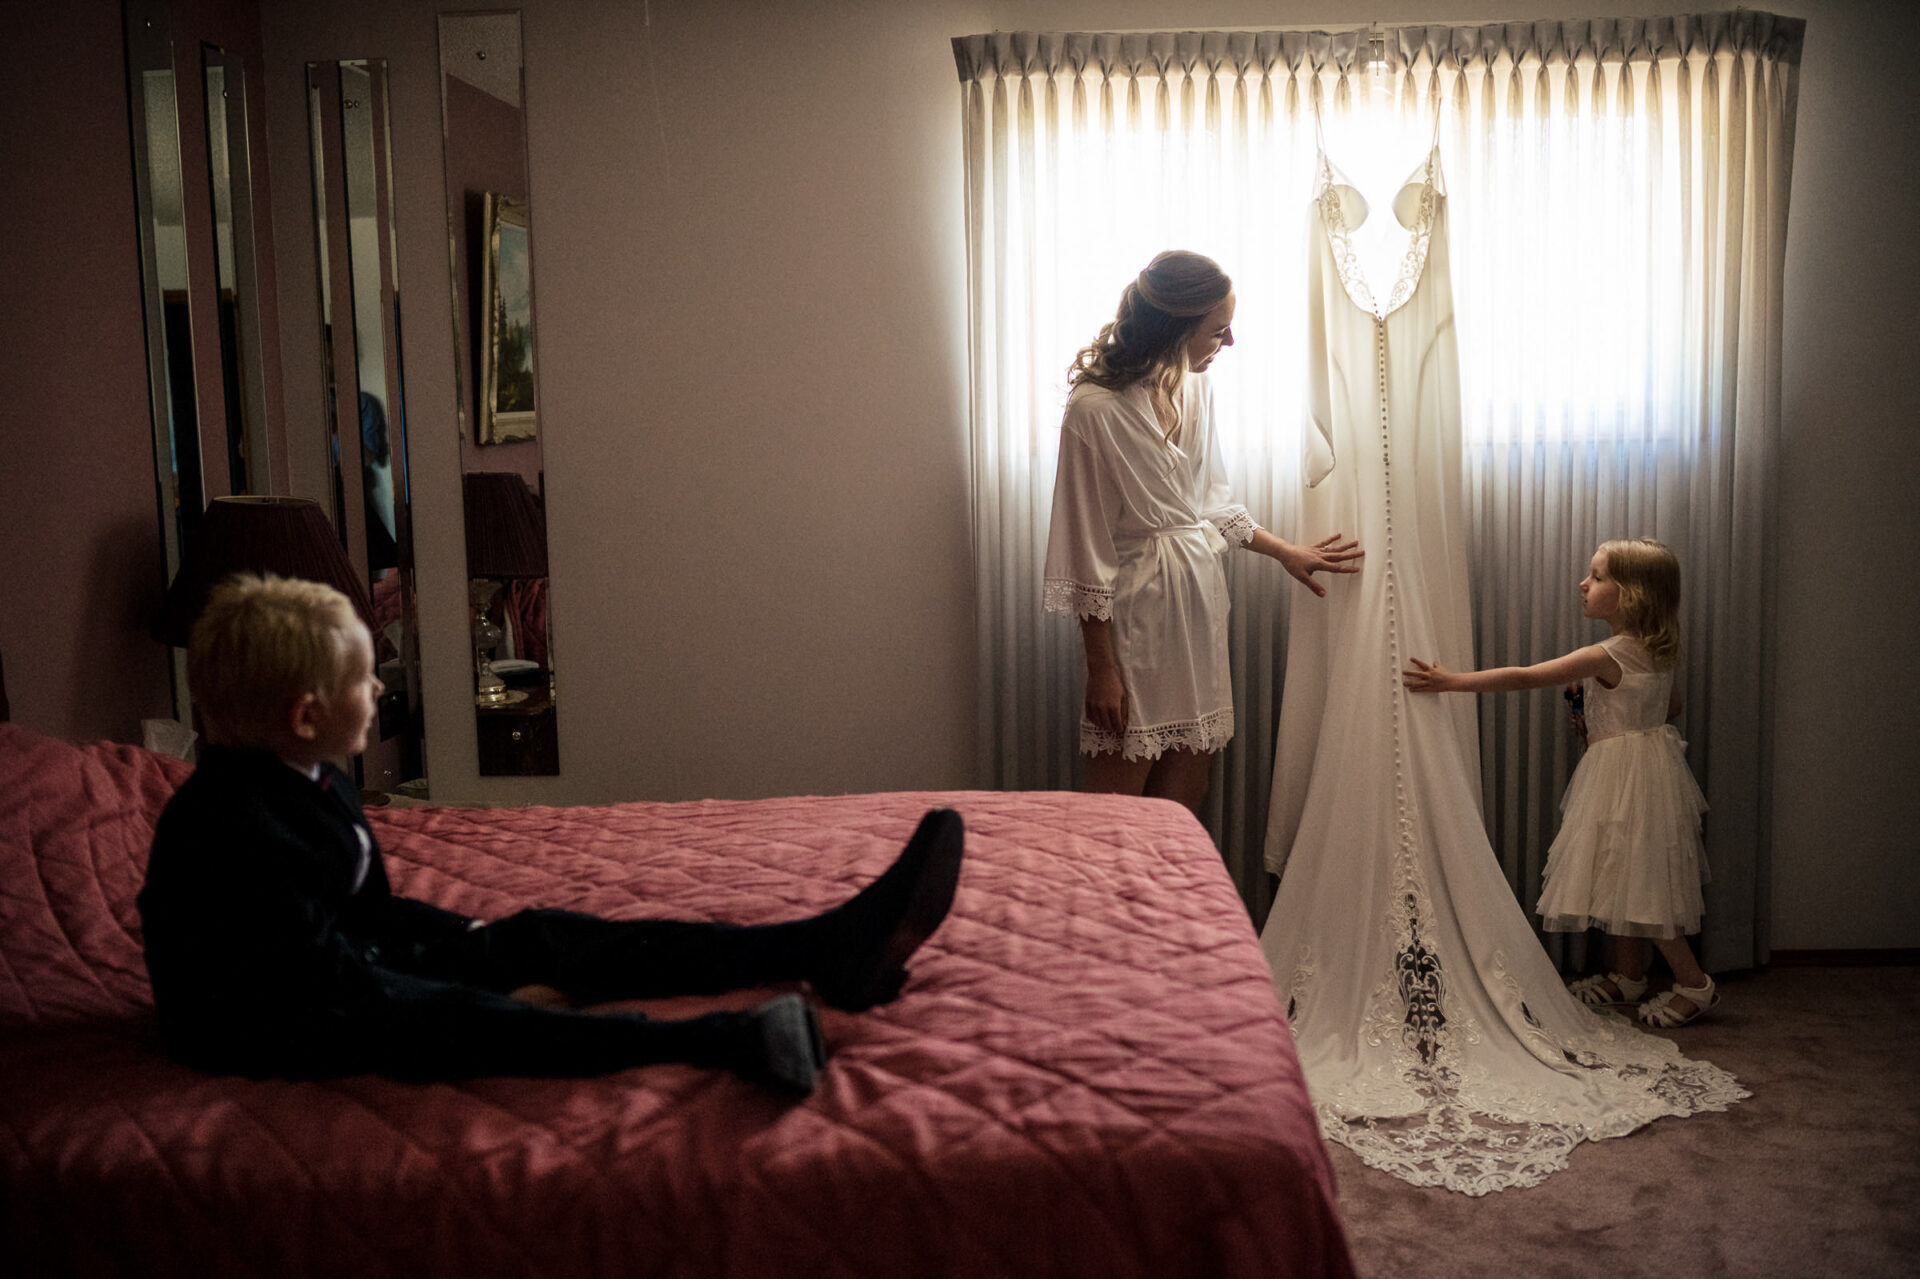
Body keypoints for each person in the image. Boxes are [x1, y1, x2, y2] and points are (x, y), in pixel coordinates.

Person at [138, 574, 966, 1095]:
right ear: (305, 715)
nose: (379, 691)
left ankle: (819, 946)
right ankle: (722, 1040)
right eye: (363, 680)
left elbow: (371, 916)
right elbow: (333, 986)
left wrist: (474, 938)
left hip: (346, 965)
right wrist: (489, 994)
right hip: (285, 1021)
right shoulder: (230, 831)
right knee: (479, 1022)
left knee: (544, 936)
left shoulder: (317, 780)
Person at [1042, 250, 1362, 812]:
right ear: (1175, 326)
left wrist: (1285, 552)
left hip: (1196, 610)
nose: (1229, 342)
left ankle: (1172, 876)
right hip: (1136, 616)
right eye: (1218, 330)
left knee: (1187, 797)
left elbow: (1211, 502)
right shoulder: (1094, 411)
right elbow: (1085, 548)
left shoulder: (1197, 389)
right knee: (1115, 806)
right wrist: (1102, 670)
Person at [1403, 538, 1718, 1026]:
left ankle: (1694, 984)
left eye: (1597, 576)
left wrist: (1451, 681)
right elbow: (1668, 705)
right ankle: (1629, 976)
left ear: (1631, 594)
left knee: (1638, 881)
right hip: (1647, 769)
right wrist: (1604, 720)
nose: (1583, 584)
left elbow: (1526, 677)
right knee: (1624, 873)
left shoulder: (1605, 654)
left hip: (1623, 776)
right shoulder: (1655, 651)